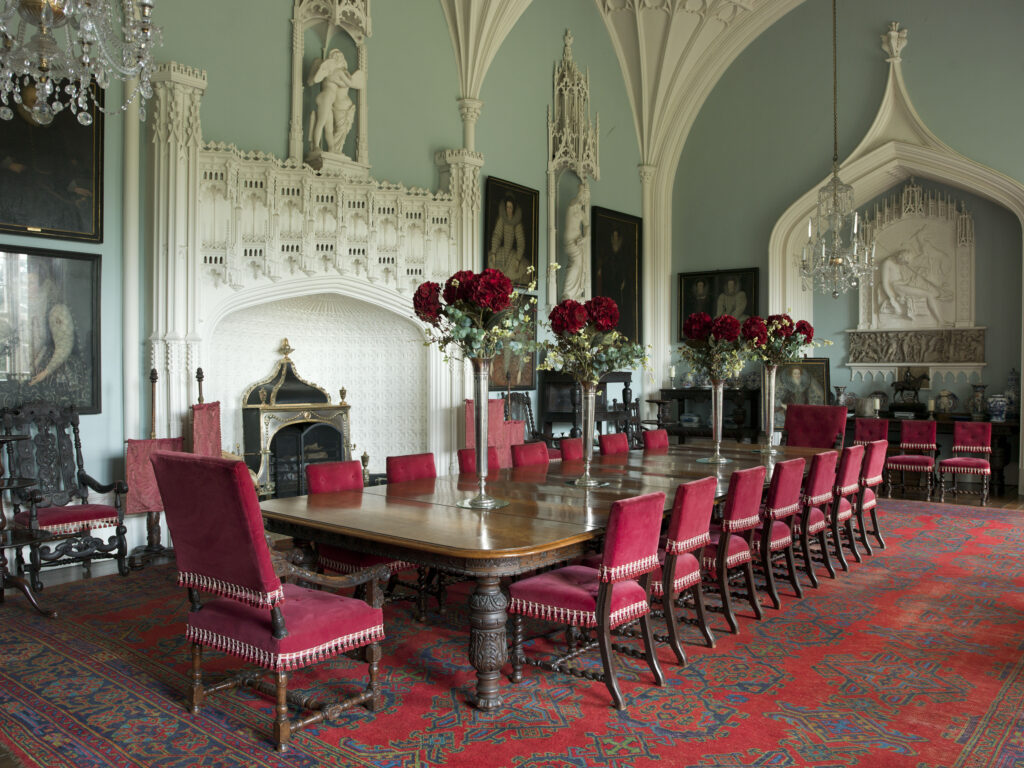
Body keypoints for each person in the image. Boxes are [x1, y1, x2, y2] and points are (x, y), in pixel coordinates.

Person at [307, 49, 366, 156]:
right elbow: (348, 83)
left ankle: (331, 149)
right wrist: (342, 81)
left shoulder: (329, 73)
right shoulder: (338, 72)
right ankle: (315, 146)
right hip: (327, 98)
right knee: (321, 123)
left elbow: (316, 80)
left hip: (327, 99)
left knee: (328, 128)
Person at [878, 248, 946, 325]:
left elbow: (898, 280)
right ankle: (940, 321)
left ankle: (940, 318)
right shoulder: (887, 263)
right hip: (898, 288)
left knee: (930, 291)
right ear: (901, 256)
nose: (906, 264)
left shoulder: (897, 264)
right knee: (929, 295)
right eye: (905, 260)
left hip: (901, 286)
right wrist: (893, 299)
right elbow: (885, 283)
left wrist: (908, 280)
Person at [488, 194, 529, 284]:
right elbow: (497, 235)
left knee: (522, 268)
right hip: (501, 252)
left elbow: (521, 242)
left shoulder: (517, 223)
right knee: (491, 261)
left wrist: (518, 259)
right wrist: (494, 252)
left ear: (513, 208)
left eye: (510, 207)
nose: (508, 209)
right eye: (507, 207)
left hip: (512, 254)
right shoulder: (502, 219)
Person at [561, 182, 590, 302]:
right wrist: (582, 189)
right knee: (576, 264)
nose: (584, 200)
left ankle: (575, 293)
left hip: (578, 240)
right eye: (584, 198)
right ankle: (567, 293)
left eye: (586, 199)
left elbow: (587, 225)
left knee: (576, 265)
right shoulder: (572, 206)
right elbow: (576, 199)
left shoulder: (582, 212)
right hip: (570, 240)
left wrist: (585, 237)